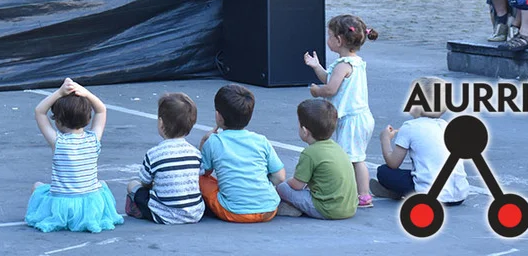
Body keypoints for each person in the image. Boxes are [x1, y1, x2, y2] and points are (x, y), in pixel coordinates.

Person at [25, 78, 123, 233]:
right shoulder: (93, 139)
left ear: (57, 121)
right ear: (88, 118)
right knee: (102, 184)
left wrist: (59, 92)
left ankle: (62, 217)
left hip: (62, 207)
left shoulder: (58, 142)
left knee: (37, 186)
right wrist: (84, 92)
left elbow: (39, 111)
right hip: (90, 207)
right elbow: (101, 110)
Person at [304, 14, 377, 207]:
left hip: (352, 120)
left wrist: (316, 92)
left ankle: (359, 194)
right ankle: (362, 194)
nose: (327, 39)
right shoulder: (354, 62)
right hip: (360, 117)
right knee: (356, 157)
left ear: (339, 40)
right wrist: (316, 66)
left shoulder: (343, 65)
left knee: (350, 158)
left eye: (329, 35)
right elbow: (329, 78)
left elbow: (330, 88)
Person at [372, 77, 469, 205]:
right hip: (459, 195)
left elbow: (393, 163)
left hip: (430, 195)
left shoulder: (410, 127)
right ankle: (401, 192)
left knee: (383, 171)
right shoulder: (447, 126)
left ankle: (399, 192)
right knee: (423, 172)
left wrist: (385, 139)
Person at [197, 84, 286, 223]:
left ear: (218, 116)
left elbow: (205, 172)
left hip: (234, 212)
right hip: (269, 209)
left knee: (200, 179)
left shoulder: (213, 141)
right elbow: (280, 177)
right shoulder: (261, 140)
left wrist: (203, 143)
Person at [125, 92, 204, 224]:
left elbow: (145, 182)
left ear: (161, 123)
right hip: (195, 213)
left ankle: (138, 209)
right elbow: (199, 175)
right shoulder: (195, 153)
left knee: (132, 185)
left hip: (165, 215)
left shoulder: (154, 154)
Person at [275, 98, 357, 219]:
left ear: (304, 131)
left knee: (282, 188)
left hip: (326, 209)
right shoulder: (337, 147)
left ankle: (292, 207)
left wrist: (287, 182)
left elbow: (297, 185)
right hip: (349, 208)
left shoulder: (309, 153)